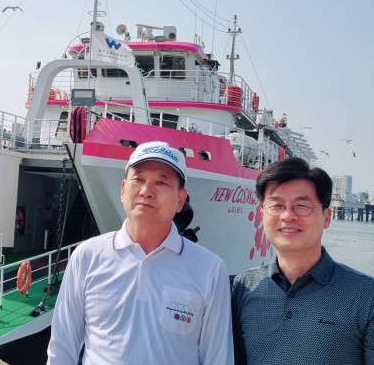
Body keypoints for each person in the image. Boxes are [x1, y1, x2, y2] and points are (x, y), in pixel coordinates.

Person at [47, 141, 234, 364]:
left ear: (180, 200)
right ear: (123, 189)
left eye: (161, 182)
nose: (146, 191)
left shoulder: (210, 269)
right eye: (138, 179)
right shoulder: (87, 256)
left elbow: (218, 356)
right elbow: (62, 346)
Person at [231, 157, 374, 364]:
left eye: (302, 205)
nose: (288, 215)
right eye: (277, 205)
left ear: (326, 217)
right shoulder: (244, 287)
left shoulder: (370, 297)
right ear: (262, 214)